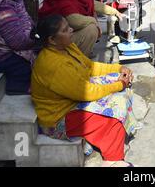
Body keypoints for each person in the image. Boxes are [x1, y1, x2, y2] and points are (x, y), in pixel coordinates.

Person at [31, 14, 136, 167]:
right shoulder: (54, 65)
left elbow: (91, 67)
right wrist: (119, 85)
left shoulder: (67, 47)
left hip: (74, 98)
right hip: (58, 117)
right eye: (66, 30)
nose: (71, 30)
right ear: (52, 40)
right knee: (114, 114)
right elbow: (87, 93)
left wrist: (119, 68)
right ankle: (113, 160)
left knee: (119, 83)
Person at [38, 0, 122, 57]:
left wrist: (115, 12)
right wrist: (95, 22)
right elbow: (73, 21)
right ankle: (79, 61)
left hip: (66, 35)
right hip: (56, 43)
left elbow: (94, 4)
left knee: (91, 21)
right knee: (91, 29)